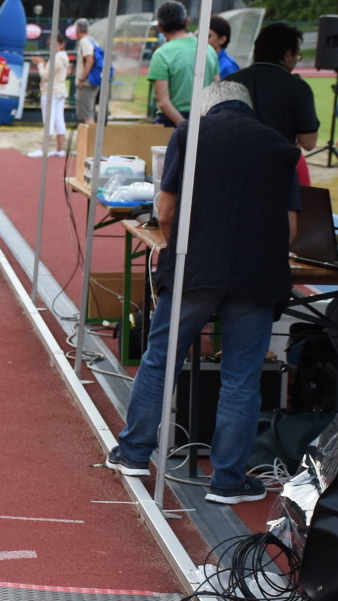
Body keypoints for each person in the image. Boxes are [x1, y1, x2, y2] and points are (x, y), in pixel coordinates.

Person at [107, 81, 301, 504]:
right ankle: (228, 480)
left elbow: (167, 209)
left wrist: (178, 255)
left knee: (161, 361)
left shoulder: (191, 133)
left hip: (197, 270)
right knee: (241, 378)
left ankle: (135, 452)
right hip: (257, 276)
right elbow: (290, 230)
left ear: (208, 107)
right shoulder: (281, 147)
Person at [225, 22, 319, 185]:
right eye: (297, 55)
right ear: (288, 54)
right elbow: (309, 143)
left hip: (232, 168)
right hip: (276, 172)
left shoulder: (230, 80)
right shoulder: (298, 88)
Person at [148, 0, 218, 127]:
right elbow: (217, 90)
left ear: (160, 27)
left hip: (172, 121)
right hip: (205, 118)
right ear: (186, 21)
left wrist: (184, 127)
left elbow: (163, 102)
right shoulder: (208, 49)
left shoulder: (161, 54)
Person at [29, 31, 69, 157]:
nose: (51, 46)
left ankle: (43, 149)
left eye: (53, 44)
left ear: (61, 44)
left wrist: (40, 64)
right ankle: (59, 149)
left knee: (49, 120)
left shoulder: (56, 57)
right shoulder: (63, 57)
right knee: (58, 119)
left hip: (51, 91)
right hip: (60, 90)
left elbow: (46, 75)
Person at [73, 18, 99, 125]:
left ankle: (90, 140)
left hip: (86, 83)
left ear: (77, 31)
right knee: (88, 111)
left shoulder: (84, 42)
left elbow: (90, 60)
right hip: (92, 81)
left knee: (86, 115)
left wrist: (81, 78)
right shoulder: (93, 41)